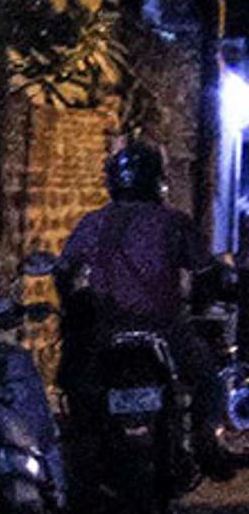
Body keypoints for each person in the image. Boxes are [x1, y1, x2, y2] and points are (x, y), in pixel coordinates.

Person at [53, 142, 211, 480]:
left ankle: (81, 460)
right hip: (163, 328)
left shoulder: (95, 222)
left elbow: (65, 269)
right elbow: (203, 269)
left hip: (105, 331)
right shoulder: (173, 222)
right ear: (158, 181)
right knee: (206, 374)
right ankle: (205, 440)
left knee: (76, 383)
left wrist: (72, 306)